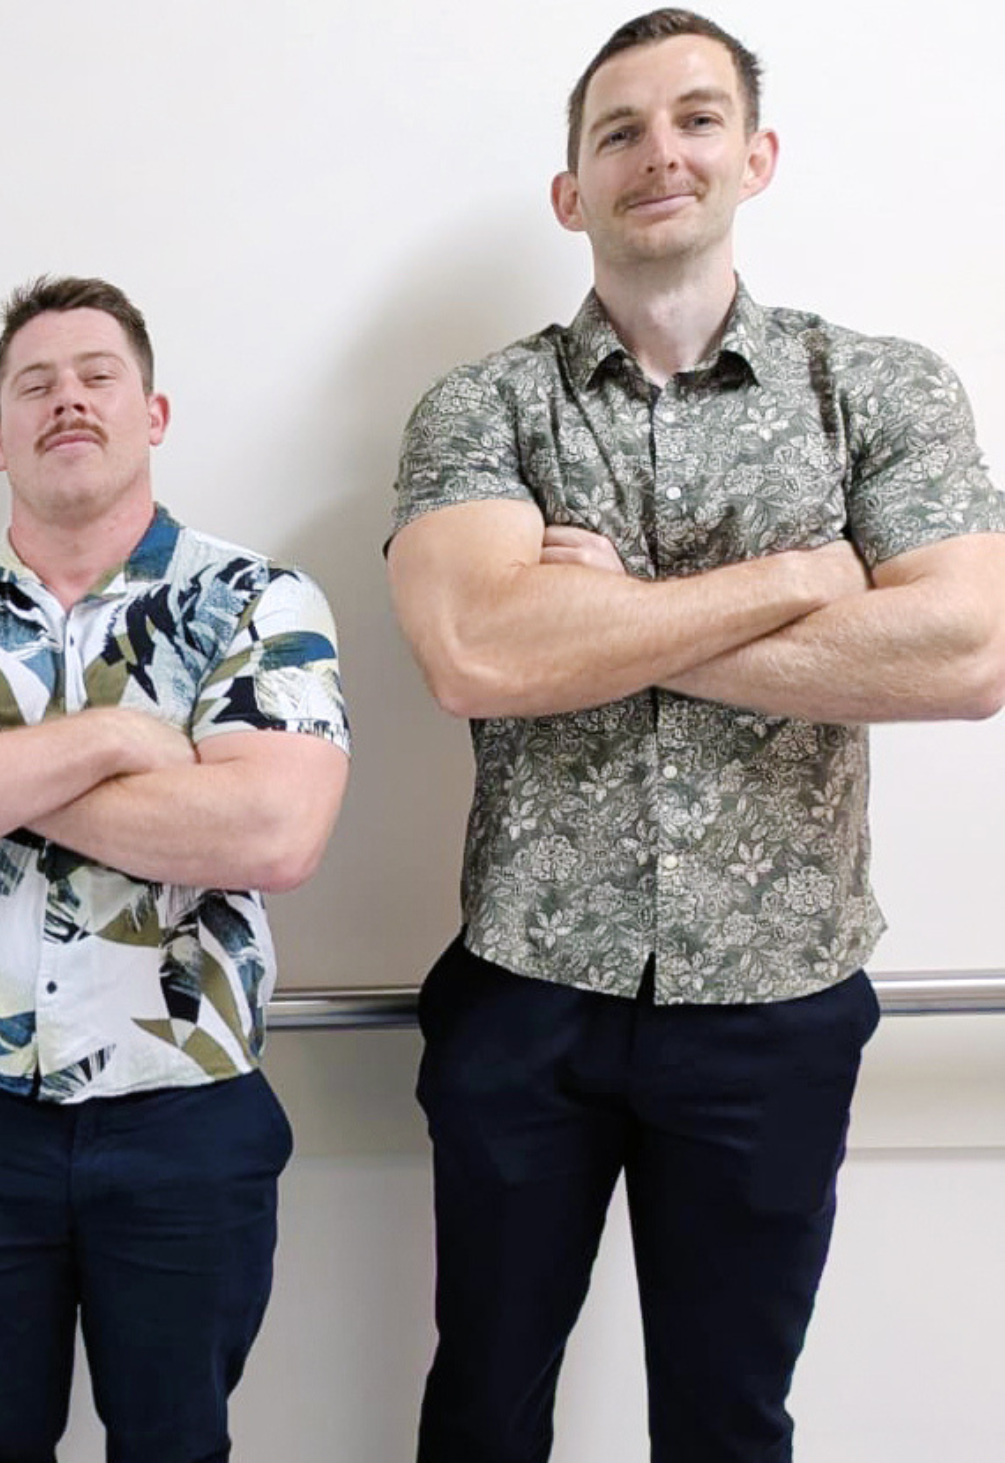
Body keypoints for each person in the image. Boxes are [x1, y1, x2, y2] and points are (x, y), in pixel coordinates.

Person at [385, 11, 1005, 1461]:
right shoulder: (484, 404)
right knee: (480, 1404)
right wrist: (801, 579)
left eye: (697, 118)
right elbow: (476, 649)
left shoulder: (881, 388)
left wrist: (611, 621)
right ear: (572, 191)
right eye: (618, 131)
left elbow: (969, 651)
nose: (660, 150)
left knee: (730, 1421)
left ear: (756, 155)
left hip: (776, 1002)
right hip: (527, 990)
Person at [0, 275, 350, 1463]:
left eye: (98, 374)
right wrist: (118, 742)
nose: (70, 399)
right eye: (36, 383)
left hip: (187, 1116)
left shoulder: (257, 602)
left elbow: (273, 832)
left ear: (152, 412)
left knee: (176, 1446)